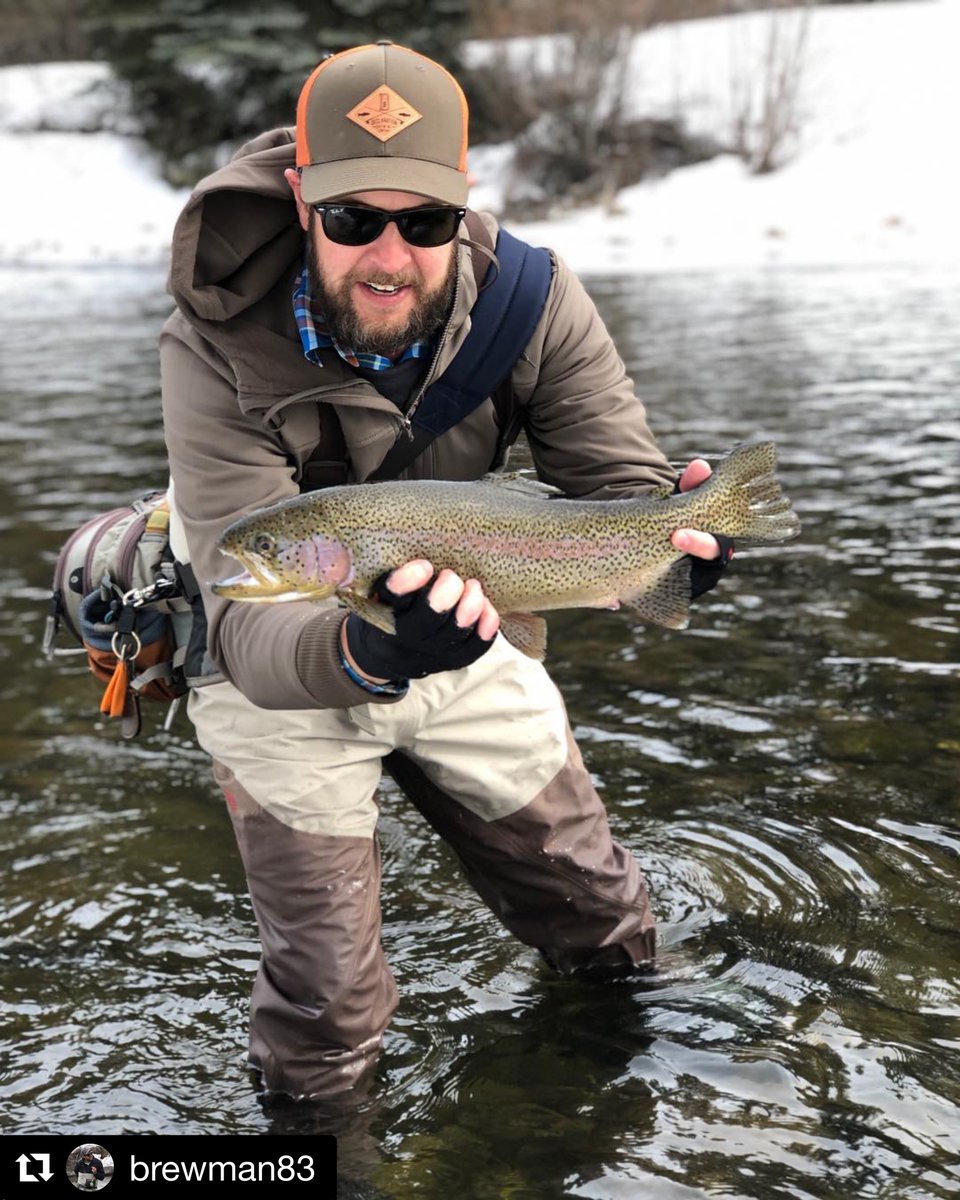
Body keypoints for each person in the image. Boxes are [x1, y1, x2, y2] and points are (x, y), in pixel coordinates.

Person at [160, 40, 732, 1102]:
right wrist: (369, 649)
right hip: (285, 659)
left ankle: (629, 1105)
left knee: (608, 930)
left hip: (482, 617)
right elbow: (243, 627)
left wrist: (675, 549)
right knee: (326, 1016)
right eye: (351, 219)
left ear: (461, 209)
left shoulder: (536, 299)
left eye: (421, 223)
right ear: (300, 200)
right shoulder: (211, 338)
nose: (389, 253)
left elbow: (616, 489)